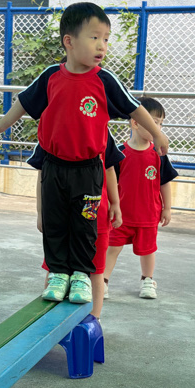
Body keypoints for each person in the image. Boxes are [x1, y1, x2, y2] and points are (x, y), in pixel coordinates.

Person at [0, 2, 169, 305]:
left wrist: (158, 133)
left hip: (88, 170)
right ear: (69, 41)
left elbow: (134, 108)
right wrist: (3, 123)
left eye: (106, 39)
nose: (102, 46)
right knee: (54, 223)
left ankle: (81, 275)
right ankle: (58, 273)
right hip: (54, 167)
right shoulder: (51, 77)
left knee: (85, 225)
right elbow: (25, 102)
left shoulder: (105, 81)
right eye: (94, 37)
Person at [28, 132, 123, 320]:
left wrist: (115, 203)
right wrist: (41, 212)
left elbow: (109, 168)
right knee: (56, 269)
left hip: (94, 215)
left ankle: (93, 320)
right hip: (60, 217)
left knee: (94, 271)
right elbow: (42, 174)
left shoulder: (100, 131)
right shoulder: (51, 131)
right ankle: (50, 321)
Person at [104, 97, 178, 300]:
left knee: (148, 250)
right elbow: (110, 182)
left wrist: (167, 208)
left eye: (161, 124)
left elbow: (164, 182)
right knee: (112, 248)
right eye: (154, 122)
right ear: (135, 122)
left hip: (149, 216)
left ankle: (147, 280)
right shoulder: (119, 154)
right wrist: (110, 205)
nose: (158, 128)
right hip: (121, 216)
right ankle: (103, 281)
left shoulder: (159, 154)